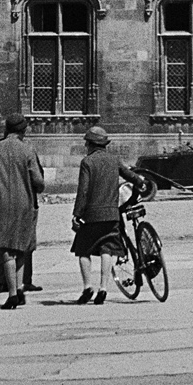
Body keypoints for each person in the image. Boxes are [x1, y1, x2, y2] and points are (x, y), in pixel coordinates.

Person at [71, 125, 149, 305]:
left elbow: (83, 191)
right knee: (107, 248)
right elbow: (129, 174)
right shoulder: (113, 160)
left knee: (83, 250)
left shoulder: (87, 162)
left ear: (90, 144)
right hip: (112, 214)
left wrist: (77, 214)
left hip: (91, 215)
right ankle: (103, 287)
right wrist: (140, 182)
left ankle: (87, 287)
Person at [0, 114, 45, 310]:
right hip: (25, 203)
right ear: (23, 130)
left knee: (6, 248)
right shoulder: (28, 150)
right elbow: (38, 181)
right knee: (22, 246)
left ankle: (12, 293)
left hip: (1, 203)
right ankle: (21, 288)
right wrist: (36, 189)